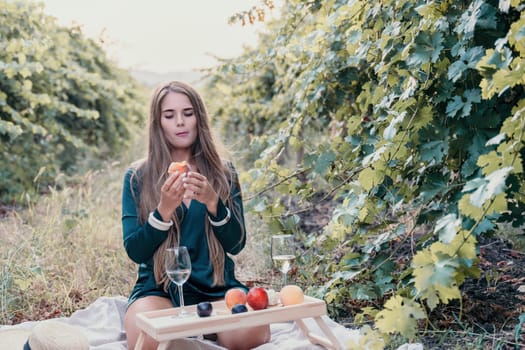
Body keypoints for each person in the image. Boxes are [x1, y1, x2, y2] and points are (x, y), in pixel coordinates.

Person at [121, 81, 270, 350]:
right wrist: (163, 211)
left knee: (255, 333)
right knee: (144, 341)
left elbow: (236, 244)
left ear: (199, 117)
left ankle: (200, 335)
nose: (180, 122)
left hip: (217, 288)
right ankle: (196, 336)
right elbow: (135, 251)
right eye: (169, 115)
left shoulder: (224, 173)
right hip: (159, 290)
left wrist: (214, 203)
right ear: (158, 123)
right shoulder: (137, 177)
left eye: (188, 113)